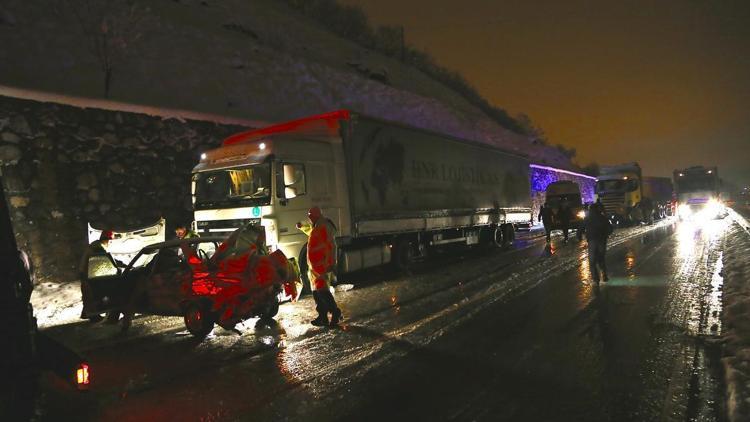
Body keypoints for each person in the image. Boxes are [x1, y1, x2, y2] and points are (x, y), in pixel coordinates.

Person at [297, 206, 342, 327]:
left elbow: (331, 246)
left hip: (322, 267)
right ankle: (322, 317)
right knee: (317, 293)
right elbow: (311, 232)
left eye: (311, 216)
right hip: (315, 268)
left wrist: (331, 263)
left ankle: (335, 313)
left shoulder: (324, 226)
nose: (310, 219)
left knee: (323, 292)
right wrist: (302, 227)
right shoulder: (317, 226)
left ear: (316, 216)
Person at [78, 230, 121, 322]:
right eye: (110, 240)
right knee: (95, 294)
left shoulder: (96, 246)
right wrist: (117, 266)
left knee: (89, 294)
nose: (111, 243)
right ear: (107, 239)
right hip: (89, 274)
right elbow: (104, 260)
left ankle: (88, 312)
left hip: (87, 273)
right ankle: (93, 315)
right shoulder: (98, 248)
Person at [584, 203, 613, 284]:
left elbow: (581, 227)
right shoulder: (603, 218)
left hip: (592, 241)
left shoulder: (587, 218)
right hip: (601, 240)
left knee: (592, 260)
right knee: (601, 258)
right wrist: (606, 234)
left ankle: (596, 279)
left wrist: (579, 235)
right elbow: (610, 228)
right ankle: (604, 275)